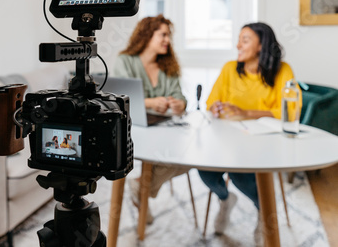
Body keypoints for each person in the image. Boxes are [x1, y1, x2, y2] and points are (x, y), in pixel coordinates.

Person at [198, 22, 300, 245]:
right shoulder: (229, 68)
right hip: (226, 140)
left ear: (261, 45)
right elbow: (210, 101)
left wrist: (247, 112)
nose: (238, 45)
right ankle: (225, 199)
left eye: (245, 40)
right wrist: (215, 108)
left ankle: (263, 210)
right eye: (239, 39)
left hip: (263, 143)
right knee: (204, 168)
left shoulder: (283, 70)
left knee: (238, 174)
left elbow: (291, 110)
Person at [113, 14, 188, 224]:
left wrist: (179, 104)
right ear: (147, 35)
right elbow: (119, 98)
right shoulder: (125, 61)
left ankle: (141, 188)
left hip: (165, 128)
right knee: (170, 156)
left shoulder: (168, 66)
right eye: (163, 35)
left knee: (189, 157)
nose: (167, 40)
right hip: (134, 128)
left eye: (169, 36)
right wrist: (151, 102)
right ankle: (143, 191)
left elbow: (180, 97)